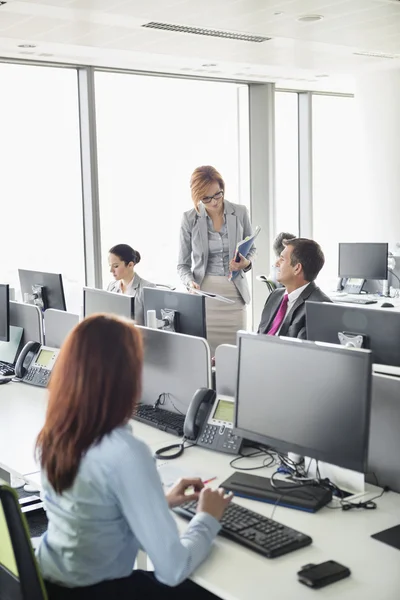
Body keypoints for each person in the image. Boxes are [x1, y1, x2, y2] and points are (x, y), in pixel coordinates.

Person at [35, 314, 232, 600]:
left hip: (50, 580)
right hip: (97, 592)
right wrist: (207, 518)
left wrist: (158, 501)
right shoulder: (125, 453)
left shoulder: (58, 431)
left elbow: (89, 511)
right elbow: (174, 568)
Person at [178, 166, 256, 354]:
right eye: (206, 198)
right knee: (206, 355)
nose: (213, 201)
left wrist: (245, 263)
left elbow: (252, 248)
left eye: (217, 195)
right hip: (204, 297)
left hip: (234, 296)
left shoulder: (239, 212)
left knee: (236, 354)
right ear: (197, 197)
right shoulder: (189, 219)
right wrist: (189, 282)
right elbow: (182, 265)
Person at [258, 238, 331, 339]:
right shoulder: (275, 295)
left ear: (297, 268)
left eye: (282, 259)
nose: (276, 264)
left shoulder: (320, 307)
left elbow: (301, 352)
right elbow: (259, 335)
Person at [107, 243, 155, 325]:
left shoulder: (147, 289)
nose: (111, 270)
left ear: (130, 265)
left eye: (115, 266)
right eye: (110, 266)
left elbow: (151, 326)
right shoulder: (111, 286)